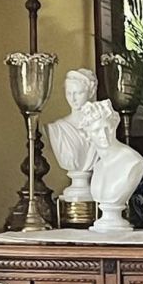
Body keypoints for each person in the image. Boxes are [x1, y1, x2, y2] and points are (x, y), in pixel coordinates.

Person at [79, 99, 143, 232]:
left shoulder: (132, 161)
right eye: (96, 130)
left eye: (107, 128)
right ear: (87, 134)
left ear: (114, 126)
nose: (103, 135)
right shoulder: (97, 167)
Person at [47, 69, 98, 201]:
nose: (73, 98)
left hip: (92, 192)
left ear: (91, 92)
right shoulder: (57, 129)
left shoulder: (101, 127)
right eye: (69, 93)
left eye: (78, 93)